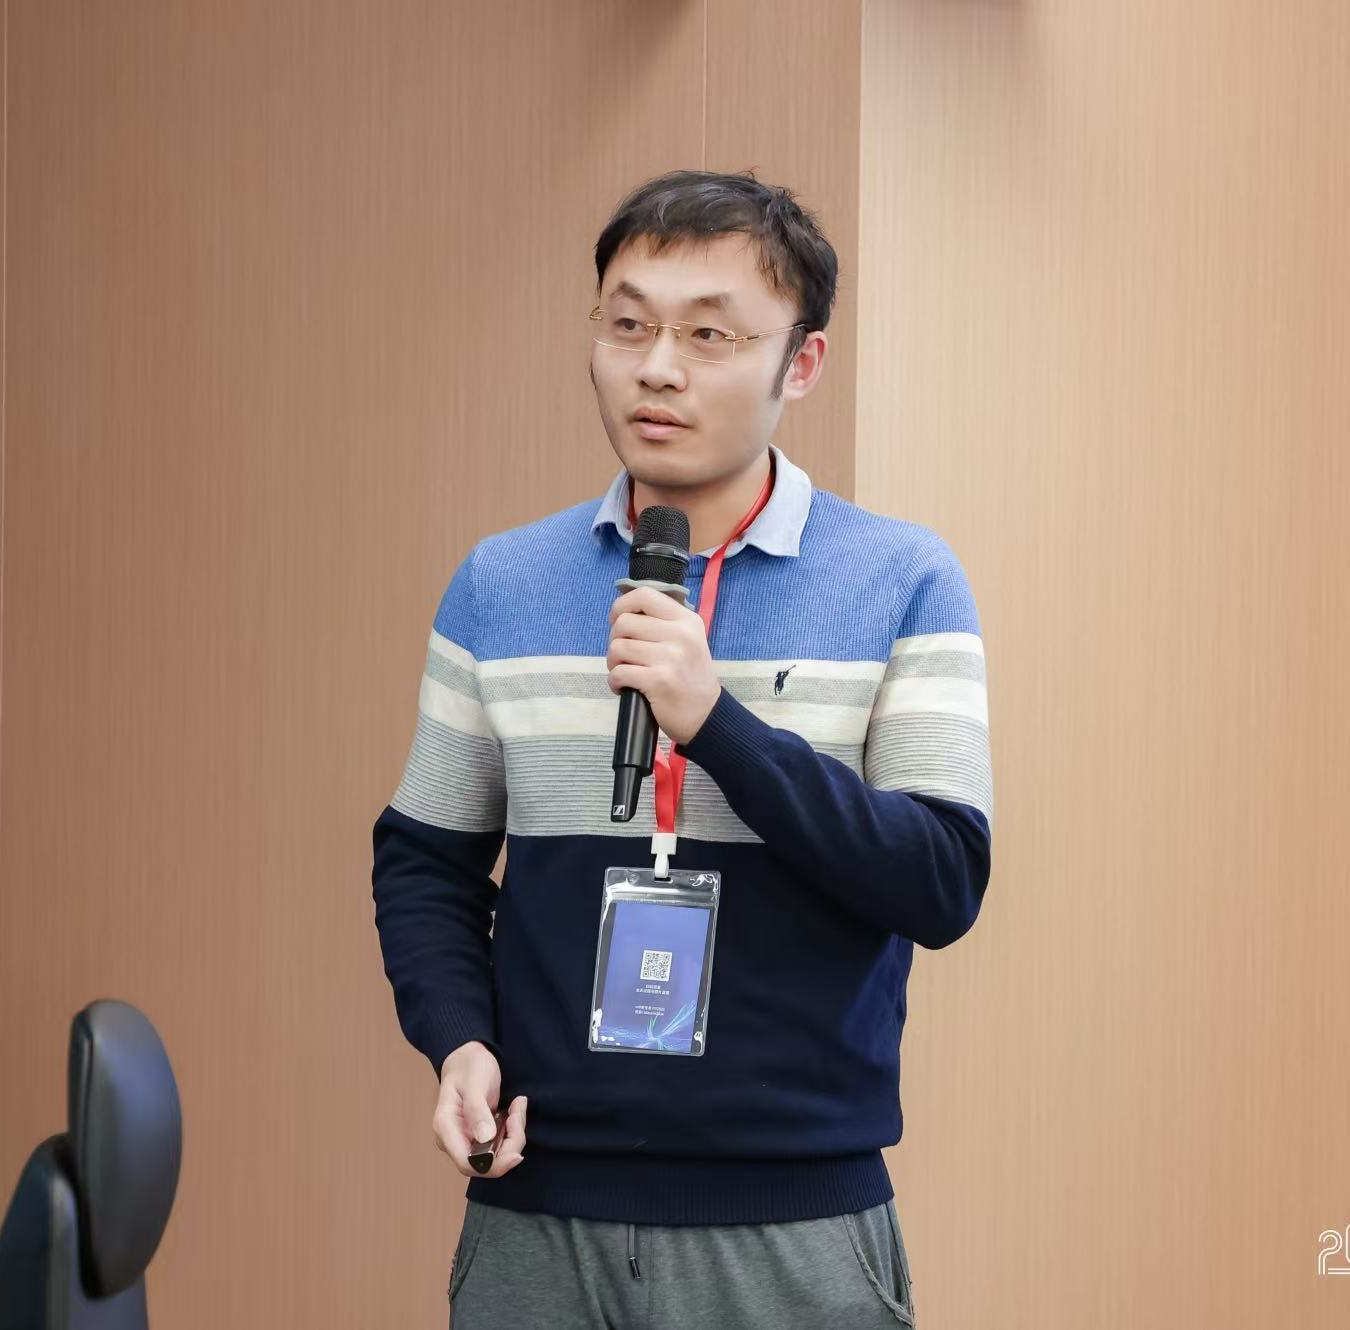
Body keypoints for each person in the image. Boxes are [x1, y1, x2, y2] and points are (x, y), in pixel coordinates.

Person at [371, 169, 993, 1329]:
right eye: (627, 325)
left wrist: (718, 726)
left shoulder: (903, 580)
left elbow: (940, 878)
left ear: (800, 362)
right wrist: (457, 1040)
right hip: (535, 1216)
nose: (656, 367)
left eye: (710, 335)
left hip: (793, 1228)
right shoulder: (500, 583)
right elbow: (424, 862)